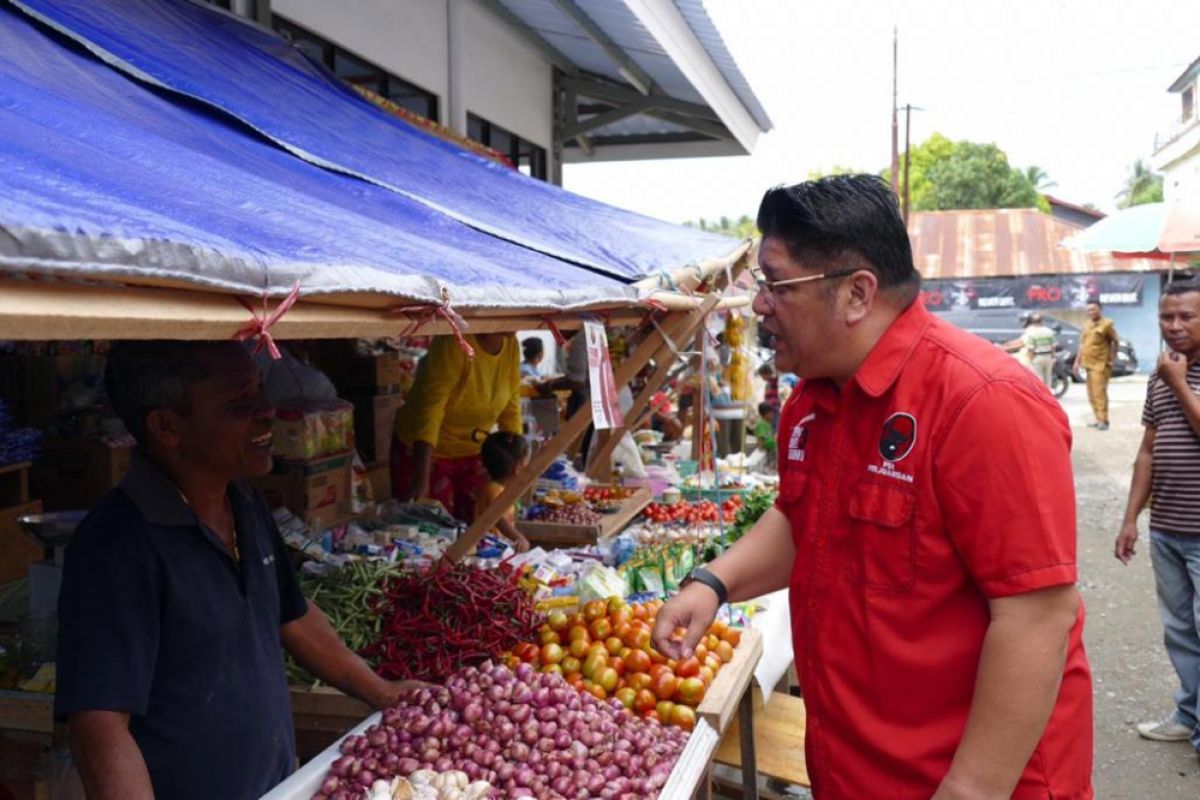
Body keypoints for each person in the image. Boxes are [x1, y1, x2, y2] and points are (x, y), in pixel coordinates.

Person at [652, 175, 1092, 799]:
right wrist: (714, 582)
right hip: (856, 769)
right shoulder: (811, 399)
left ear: (857, 294)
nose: (758, 307)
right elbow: (803, 520)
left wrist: (970, 789)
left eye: (777, 285)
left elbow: (1038, 616)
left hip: (967, 779)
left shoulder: (982, 402)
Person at [56, 341, 418, 800]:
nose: (268, 411)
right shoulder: (117, 545)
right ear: (167, 426)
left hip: (277, 786)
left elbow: (293, 615)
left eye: (260, 391)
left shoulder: (242, 499)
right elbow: (100, 727)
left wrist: (382, 691)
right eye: (239, 403)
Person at [1114, 279, 1200, 753]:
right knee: (1181, 632)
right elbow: (1147, 451)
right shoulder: (1161, 375)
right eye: (1167, 317)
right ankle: (1188, 717)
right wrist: (1132, 519)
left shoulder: (1173, 376)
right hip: (1167, 528)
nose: (1174, 326)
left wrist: (1180, 383)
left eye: (1186, 316)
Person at [391, 333, 521, 521]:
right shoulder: (453, 343)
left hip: (473, 450)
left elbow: (512, 402)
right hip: (426, 453)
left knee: (479, 521)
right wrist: (421, 478)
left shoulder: (510, 344)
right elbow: (432, 409)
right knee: (433, 528)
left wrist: (516, 460)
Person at [475, 431, 532, 553]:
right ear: (518, 467)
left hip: (499, 546)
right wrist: (518, 537)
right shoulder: (494, 489)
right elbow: (498, 518)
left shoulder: (503, 488)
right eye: (527, 463)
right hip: (487, 548)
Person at [1074, 301, 1119, 430]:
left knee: (1099, 393)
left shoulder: (1107, 324)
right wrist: (1077, 362)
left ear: (1100, 310)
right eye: (1088, 310)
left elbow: (1115, 341)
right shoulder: (1086, 324)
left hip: (1100, 364)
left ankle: (1104, 420)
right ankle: (1097, 418)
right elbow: (1082, 345)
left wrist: (1112, 358)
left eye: (1093, 309)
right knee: (1091, 394)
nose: (1090, 312)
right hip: (1087, 363)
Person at [1021, 312, 1059, 388]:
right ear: (1042, 321)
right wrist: (1053, 357)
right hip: (1048, 357)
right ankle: (1048, 396)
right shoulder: (1049, 332)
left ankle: (1041, 397)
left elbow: (1031, 348)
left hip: (1037, 357)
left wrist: (1030, 359)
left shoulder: (1031, 333)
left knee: (1038, 380)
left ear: (1032, 322)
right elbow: (1053, 346)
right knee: (1048, 379)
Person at [752, 401, 777, 467]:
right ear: (767, 414)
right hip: (764, 447)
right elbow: (760, 437)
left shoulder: (767, 423)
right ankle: (774, 464)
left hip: (769, 446)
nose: (773, 415)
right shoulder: (761, 424)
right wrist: (761, 449)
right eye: (771, 413)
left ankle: (773, 464)